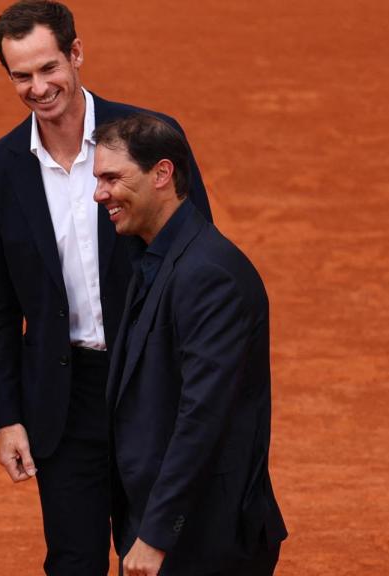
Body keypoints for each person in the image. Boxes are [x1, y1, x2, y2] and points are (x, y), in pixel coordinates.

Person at [0, 1, 212, 573]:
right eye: (21, 76)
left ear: (76, 54)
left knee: (159, 557)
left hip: (151, 385)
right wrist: (7, 418)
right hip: (64, 398)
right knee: (74, 561)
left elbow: (197, 260)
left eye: (49, 68)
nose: (38, 87)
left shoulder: (151, 137)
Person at [94, 114, 287, 576]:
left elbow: (202, 416)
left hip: (201, 540)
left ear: (162, 174)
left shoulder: (209, 275)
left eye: (112, 178)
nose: (100, 193)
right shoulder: (155, 257)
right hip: (167, 526)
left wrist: (157, 536)